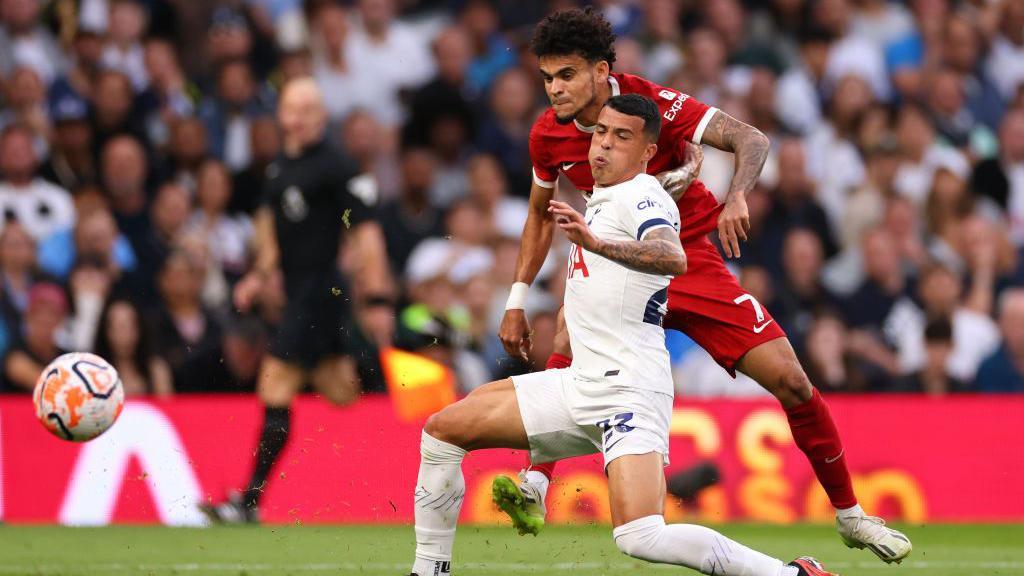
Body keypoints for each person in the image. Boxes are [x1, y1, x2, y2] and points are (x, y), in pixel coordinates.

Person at [494, 8, 911, 564]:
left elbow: (750, 139)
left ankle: (850, 515)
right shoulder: (547, 134)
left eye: (565, 75)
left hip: (689, 261)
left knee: (791, 380)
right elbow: (540, 215)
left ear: (599, 70)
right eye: (546, 78)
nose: (554, 89)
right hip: (615, 262)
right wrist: (517, 298)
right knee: (568, 334)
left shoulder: (656, 105)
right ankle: (536, 484)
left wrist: (736, 194)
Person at [410, 94, 836, 576]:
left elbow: (672, 256)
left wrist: (596, 243)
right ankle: (428, 571)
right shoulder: (609, 196)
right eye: (599, 133)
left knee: (640, 535)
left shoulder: (641, 197)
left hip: (629, 390)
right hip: (579, 384)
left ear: (646, 152)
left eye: (621, 137)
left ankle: (790, 575)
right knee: (442, 433)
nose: (602, 146)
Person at [199, 77, 392, 523]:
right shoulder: (278, 169)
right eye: (292, 109)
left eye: (308, 109)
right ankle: (390, 370)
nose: (299, 117)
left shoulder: (338, 166)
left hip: (322, 294)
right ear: (281, 115)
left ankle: (248, 504)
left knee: (275, 381)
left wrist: (378, 295)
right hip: (301, 296)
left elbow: (366, 232)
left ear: (322, 116)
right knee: (342, 391)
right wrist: (257, 276)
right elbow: (272, 242)